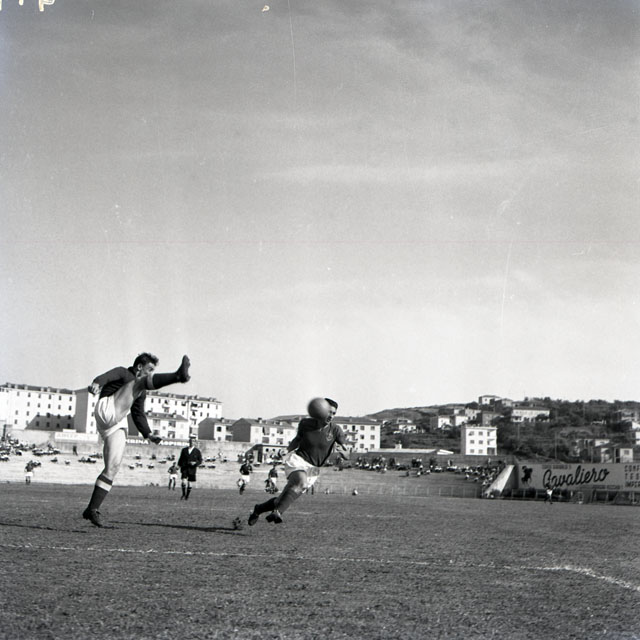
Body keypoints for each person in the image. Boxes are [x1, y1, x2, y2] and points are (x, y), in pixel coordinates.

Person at [82, 353, 191, 527]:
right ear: (139, 367)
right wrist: (96, 383)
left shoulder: (140, 391)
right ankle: (178, 376)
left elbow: (138, 414)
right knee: (139, 382)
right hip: (106, 408)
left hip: (116, 422)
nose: (151, 374)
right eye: (149, 369)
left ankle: (92, 509)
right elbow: (106, 377)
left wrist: (148, 434)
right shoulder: (124, 373)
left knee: (112, 468)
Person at [248, 397, 349, 526]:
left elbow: (347, 454)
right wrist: (287, 450)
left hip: (313, 469)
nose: (331, 416)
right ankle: (278, 512)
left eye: (334, 413)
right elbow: (297, 440)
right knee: (301, 482)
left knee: (281, 500)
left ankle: (259, 509)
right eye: (329, 412)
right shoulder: (306, 424)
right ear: (320, 410)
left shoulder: (336, 430)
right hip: (298, 460)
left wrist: (343, 452)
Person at [178, 435, 202, 500]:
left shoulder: (197, 451)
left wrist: (195, 463)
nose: (191, 442)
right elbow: (180, 458)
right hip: (185, 468)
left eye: (193, 441)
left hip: (192, 469)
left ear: (195, 442)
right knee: (183, 481)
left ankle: (187, 496)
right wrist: (179, 465)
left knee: (190, 483)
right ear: (189, 442)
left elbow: (200, 460)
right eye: (190, 441)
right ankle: (183, 494)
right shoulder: (184, 450)